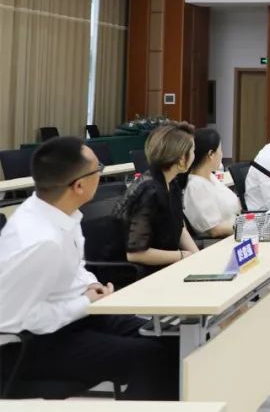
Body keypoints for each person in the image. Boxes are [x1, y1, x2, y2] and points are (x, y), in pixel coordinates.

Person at [0, 137, 179, 399]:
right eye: (98, 169)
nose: (101, 174)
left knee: (172, 338)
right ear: (79, 185)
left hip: (79, 316)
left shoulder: (59, 212)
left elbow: (75, 267)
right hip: (36, 342)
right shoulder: (39, 241)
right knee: (149, 357)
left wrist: (90, 285)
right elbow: (15, 319)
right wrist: (84, 303)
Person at [119, 122, 199, 272]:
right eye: (193, 151)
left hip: (168, 264)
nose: (195, 155)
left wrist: (197, 256)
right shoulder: (148, 191)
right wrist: (182, 255)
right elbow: (135, 254)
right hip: (143, 272)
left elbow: (180, 228)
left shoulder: (172, 183)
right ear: (182, 158)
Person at [182, 127, 241, 238]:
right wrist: (246, 227)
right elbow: (215, 230)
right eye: (220, 150)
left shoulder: (211, 177)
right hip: (220, 241)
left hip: (236, 232)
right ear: (211, 154)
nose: (222, 154)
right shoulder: (196, 186)